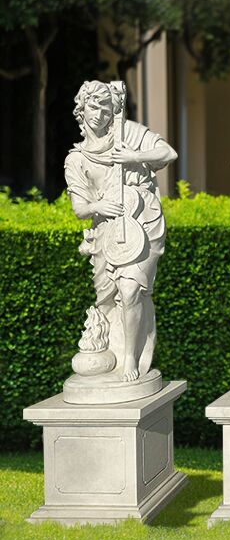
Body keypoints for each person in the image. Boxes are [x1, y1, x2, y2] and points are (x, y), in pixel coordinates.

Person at [65, 80, 177, 382]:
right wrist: (100, 206)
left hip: (143, 223)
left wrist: (134, 157)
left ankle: (130, 357)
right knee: (107, 297)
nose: (99, 114)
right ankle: (111, 349)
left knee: (131, 290)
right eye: (92, 107)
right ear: (82, 110)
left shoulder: (129, 134)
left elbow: (168, 154)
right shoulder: (76, 159)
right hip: (107, 231)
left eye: (105, 107)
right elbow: (80, 208)